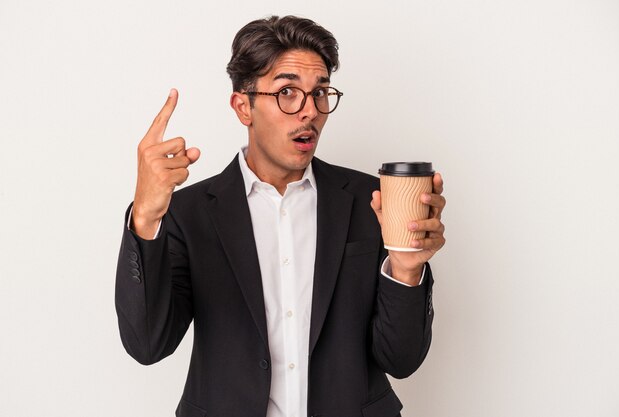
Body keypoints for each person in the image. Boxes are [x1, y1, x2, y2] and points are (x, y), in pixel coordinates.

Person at [115, 15, 446, 417]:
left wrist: (406, 271)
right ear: (243, 106)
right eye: (287, 92)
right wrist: (146, 219)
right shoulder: (190, 213)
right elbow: (148, 345)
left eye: (320, 92)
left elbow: (401, 360)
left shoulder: (370, 200)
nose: (309, 111)